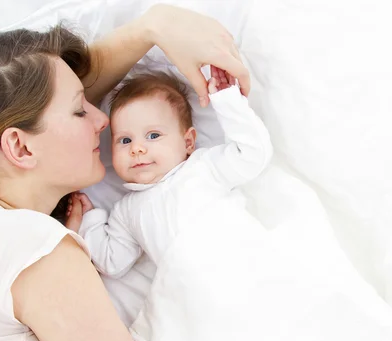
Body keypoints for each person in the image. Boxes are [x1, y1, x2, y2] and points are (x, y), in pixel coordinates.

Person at [0, 4, 251, 341]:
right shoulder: (33, 248)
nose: (102, 119)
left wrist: (152, 26)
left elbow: (24, 102)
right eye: (80, 109)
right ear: (20, 146)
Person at [64, 68, 272, 278]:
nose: (137, 149)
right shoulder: (126, 211)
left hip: (244, 261)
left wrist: (228, 100)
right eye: (125, 140)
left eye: (153, 135)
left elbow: (253, 154)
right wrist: (90, 218)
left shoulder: (204, 167)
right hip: (189, 289)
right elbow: (112, 263)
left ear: (188, 142)